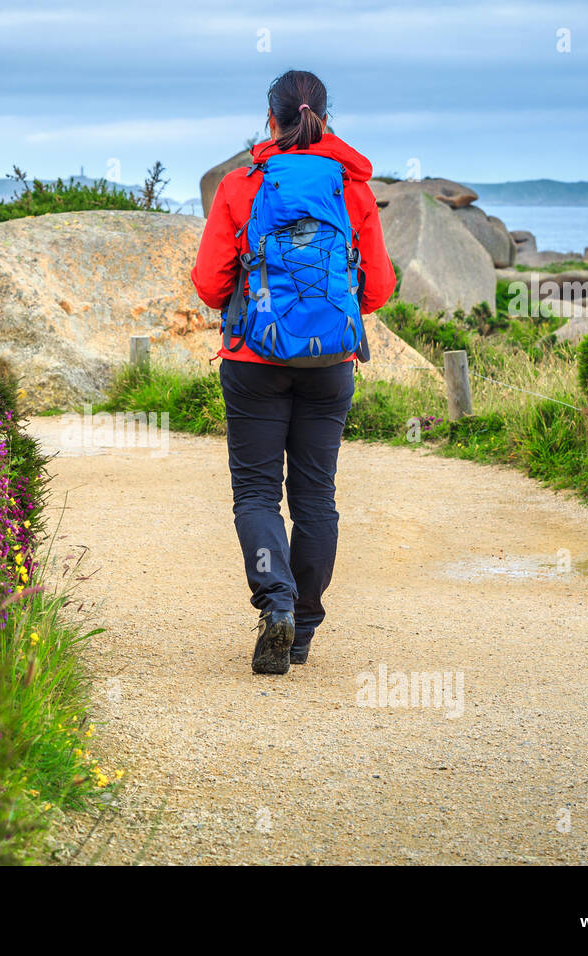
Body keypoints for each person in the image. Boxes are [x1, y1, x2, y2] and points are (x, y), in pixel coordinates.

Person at [191, 69, 395, 674]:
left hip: (253, 361)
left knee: (256, 493)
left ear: (270, 120)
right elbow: (378, 288)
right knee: (315, 499)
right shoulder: (352, 189)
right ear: (325, 119)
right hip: (330, 364)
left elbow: (208, 283)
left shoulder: (241, 184)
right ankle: (302, 629)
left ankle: (274, 604)